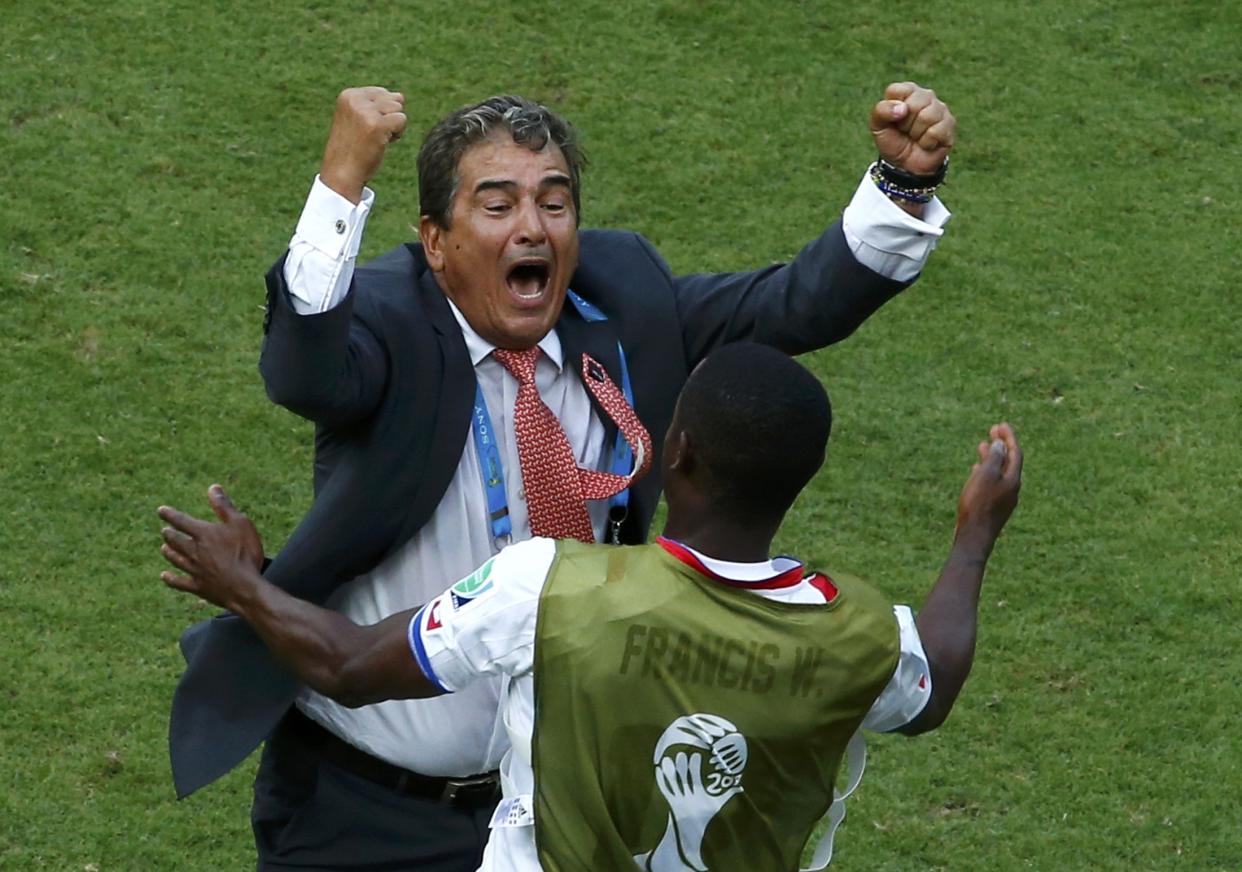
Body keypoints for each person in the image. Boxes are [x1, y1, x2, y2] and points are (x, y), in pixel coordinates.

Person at [169, 82, 957, 869]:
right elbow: (303, 374)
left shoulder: (624, 302)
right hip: (364, 807)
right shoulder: (390, 320)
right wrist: (341, 179)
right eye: (497, 205)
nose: (532, 229)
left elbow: (792, 306)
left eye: (554, 202)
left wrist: (903, 185)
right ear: (436, 242)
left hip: (552, 810)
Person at [159, 344, 1023, 871]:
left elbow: (346, 667)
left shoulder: (548, 587)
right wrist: (975, 533)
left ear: (675, 452)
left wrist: (242, 584)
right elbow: (935, 679)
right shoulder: (856, 633)